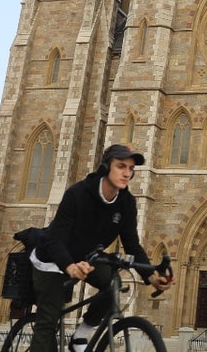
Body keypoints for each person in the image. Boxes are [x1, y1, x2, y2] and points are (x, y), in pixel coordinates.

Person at [29, 144, 172, 352]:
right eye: (121, 166)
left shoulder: (126, 203)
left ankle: (81, 335)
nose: (127, 173)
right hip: (51, 259)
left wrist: (151, 277)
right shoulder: (77, 194)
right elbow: (55, 240)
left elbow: (132, 244)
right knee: (47, 320)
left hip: (87, 257)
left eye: (131, 169)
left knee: (113, 281)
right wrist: (69, 266)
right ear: (105, 168)